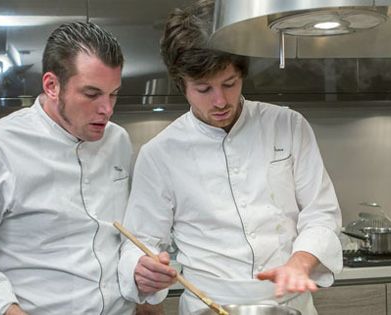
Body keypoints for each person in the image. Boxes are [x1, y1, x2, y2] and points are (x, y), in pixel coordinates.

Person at [117, 1, 342, 314]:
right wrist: (141, 268)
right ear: (182, 84)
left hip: (289, 305)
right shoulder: (159, 154)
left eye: (229, 84)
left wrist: (300, 263)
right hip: (209, 306)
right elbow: (139, 240)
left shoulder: (288, 126)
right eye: (203, 89)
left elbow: (321, 213)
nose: (220, 101)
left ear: (242, 73)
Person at [0, 21, 135, 315]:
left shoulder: (119, 141)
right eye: (92, 94)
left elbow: (123, 237)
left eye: (113, 93)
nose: (107, 109)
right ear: (52, 86)